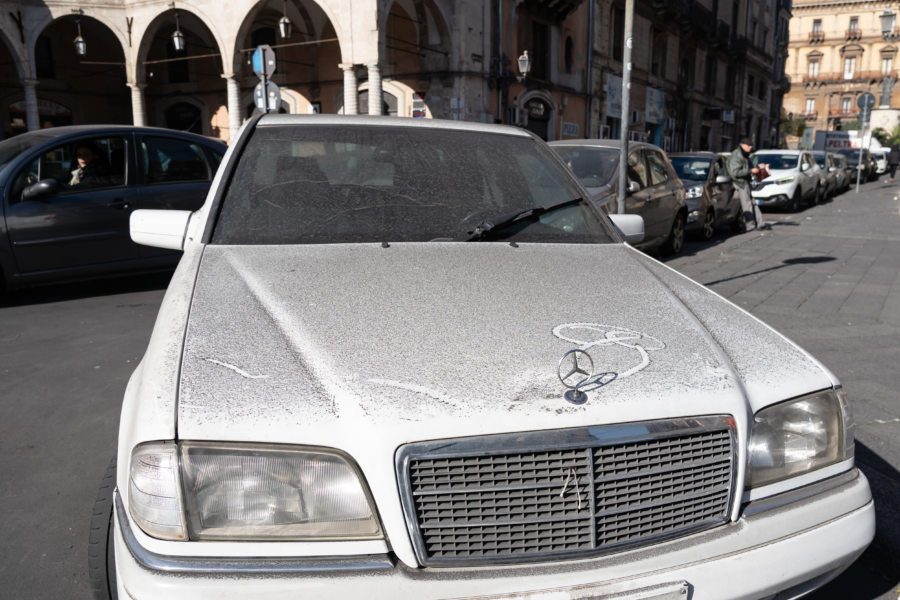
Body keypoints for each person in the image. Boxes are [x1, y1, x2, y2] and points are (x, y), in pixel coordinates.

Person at [726, 137, 768, 231]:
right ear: (742, 145)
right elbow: (734, 173)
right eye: (749, 145)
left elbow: (749, 167)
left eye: (751, 146)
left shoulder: (744, 154)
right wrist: (750, 171)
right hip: (740, 183)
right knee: (747, 204)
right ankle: (750, 225)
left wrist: (757, 167)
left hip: (745, 182)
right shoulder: (736, 156)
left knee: (752, 203)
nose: (750, 147)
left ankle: (761, 223)